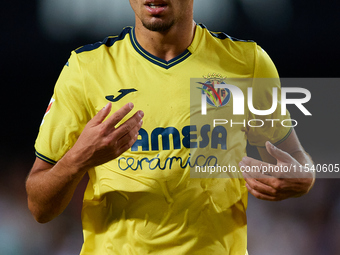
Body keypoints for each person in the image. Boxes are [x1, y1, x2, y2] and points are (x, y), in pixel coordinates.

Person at [26, 0, 315, 254]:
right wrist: (78, 160)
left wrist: (304, 178)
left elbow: (299, 160)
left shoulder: (248, 63)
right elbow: (39, 207)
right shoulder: (85, 70)